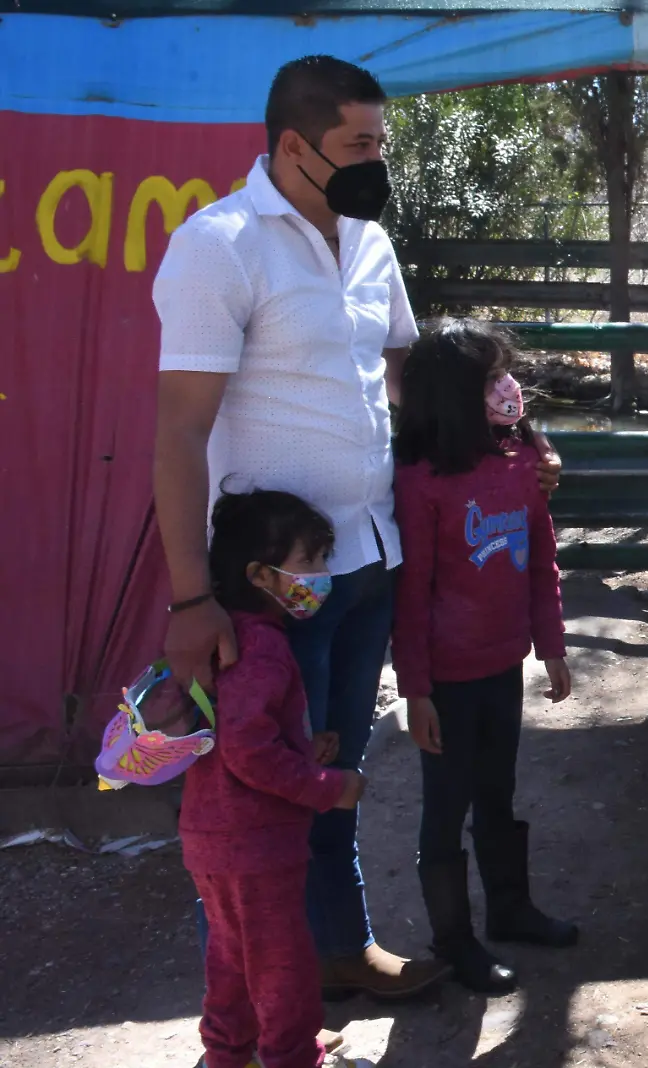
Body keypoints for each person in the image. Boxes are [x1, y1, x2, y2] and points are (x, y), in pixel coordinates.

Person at [152, 54, 564, 999]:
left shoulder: (372, 245)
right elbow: (178, 431)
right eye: (359, 145)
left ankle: (337, 950)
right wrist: (188, 598)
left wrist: (518, 449)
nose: (378, 161)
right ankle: (267, 980)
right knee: (268, 784)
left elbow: (414, 386)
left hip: (371, 560)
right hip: (276, 584)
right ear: (293, 145)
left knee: (330, 770)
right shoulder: (219, 246)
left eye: (382, 142)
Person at [391, 319, 579, 993]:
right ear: (451, 396)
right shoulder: (420, 483)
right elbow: (409, 594)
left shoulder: (524, 462)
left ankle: (510, 909)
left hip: (504, 667)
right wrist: (415, 689)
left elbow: (541, 561)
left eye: (505, 371)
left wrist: (550, 645)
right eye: (488, 377)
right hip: (445, 680)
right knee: (444, 810)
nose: (507, 387)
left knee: (497, 792)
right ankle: (454, 942)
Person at [182, 489, 367, 1068]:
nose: (320, 576)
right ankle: (291, 1056)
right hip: (257, 844)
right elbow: (249, 754)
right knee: (283, 962)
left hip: (212, 836)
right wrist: (328, 787)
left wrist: (303, 748)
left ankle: (228, 1054)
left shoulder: (225, 637)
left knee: (233, 958)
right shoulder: (262, 647)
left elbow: (238, 735)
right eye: (309, 562)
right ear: (261, 574)